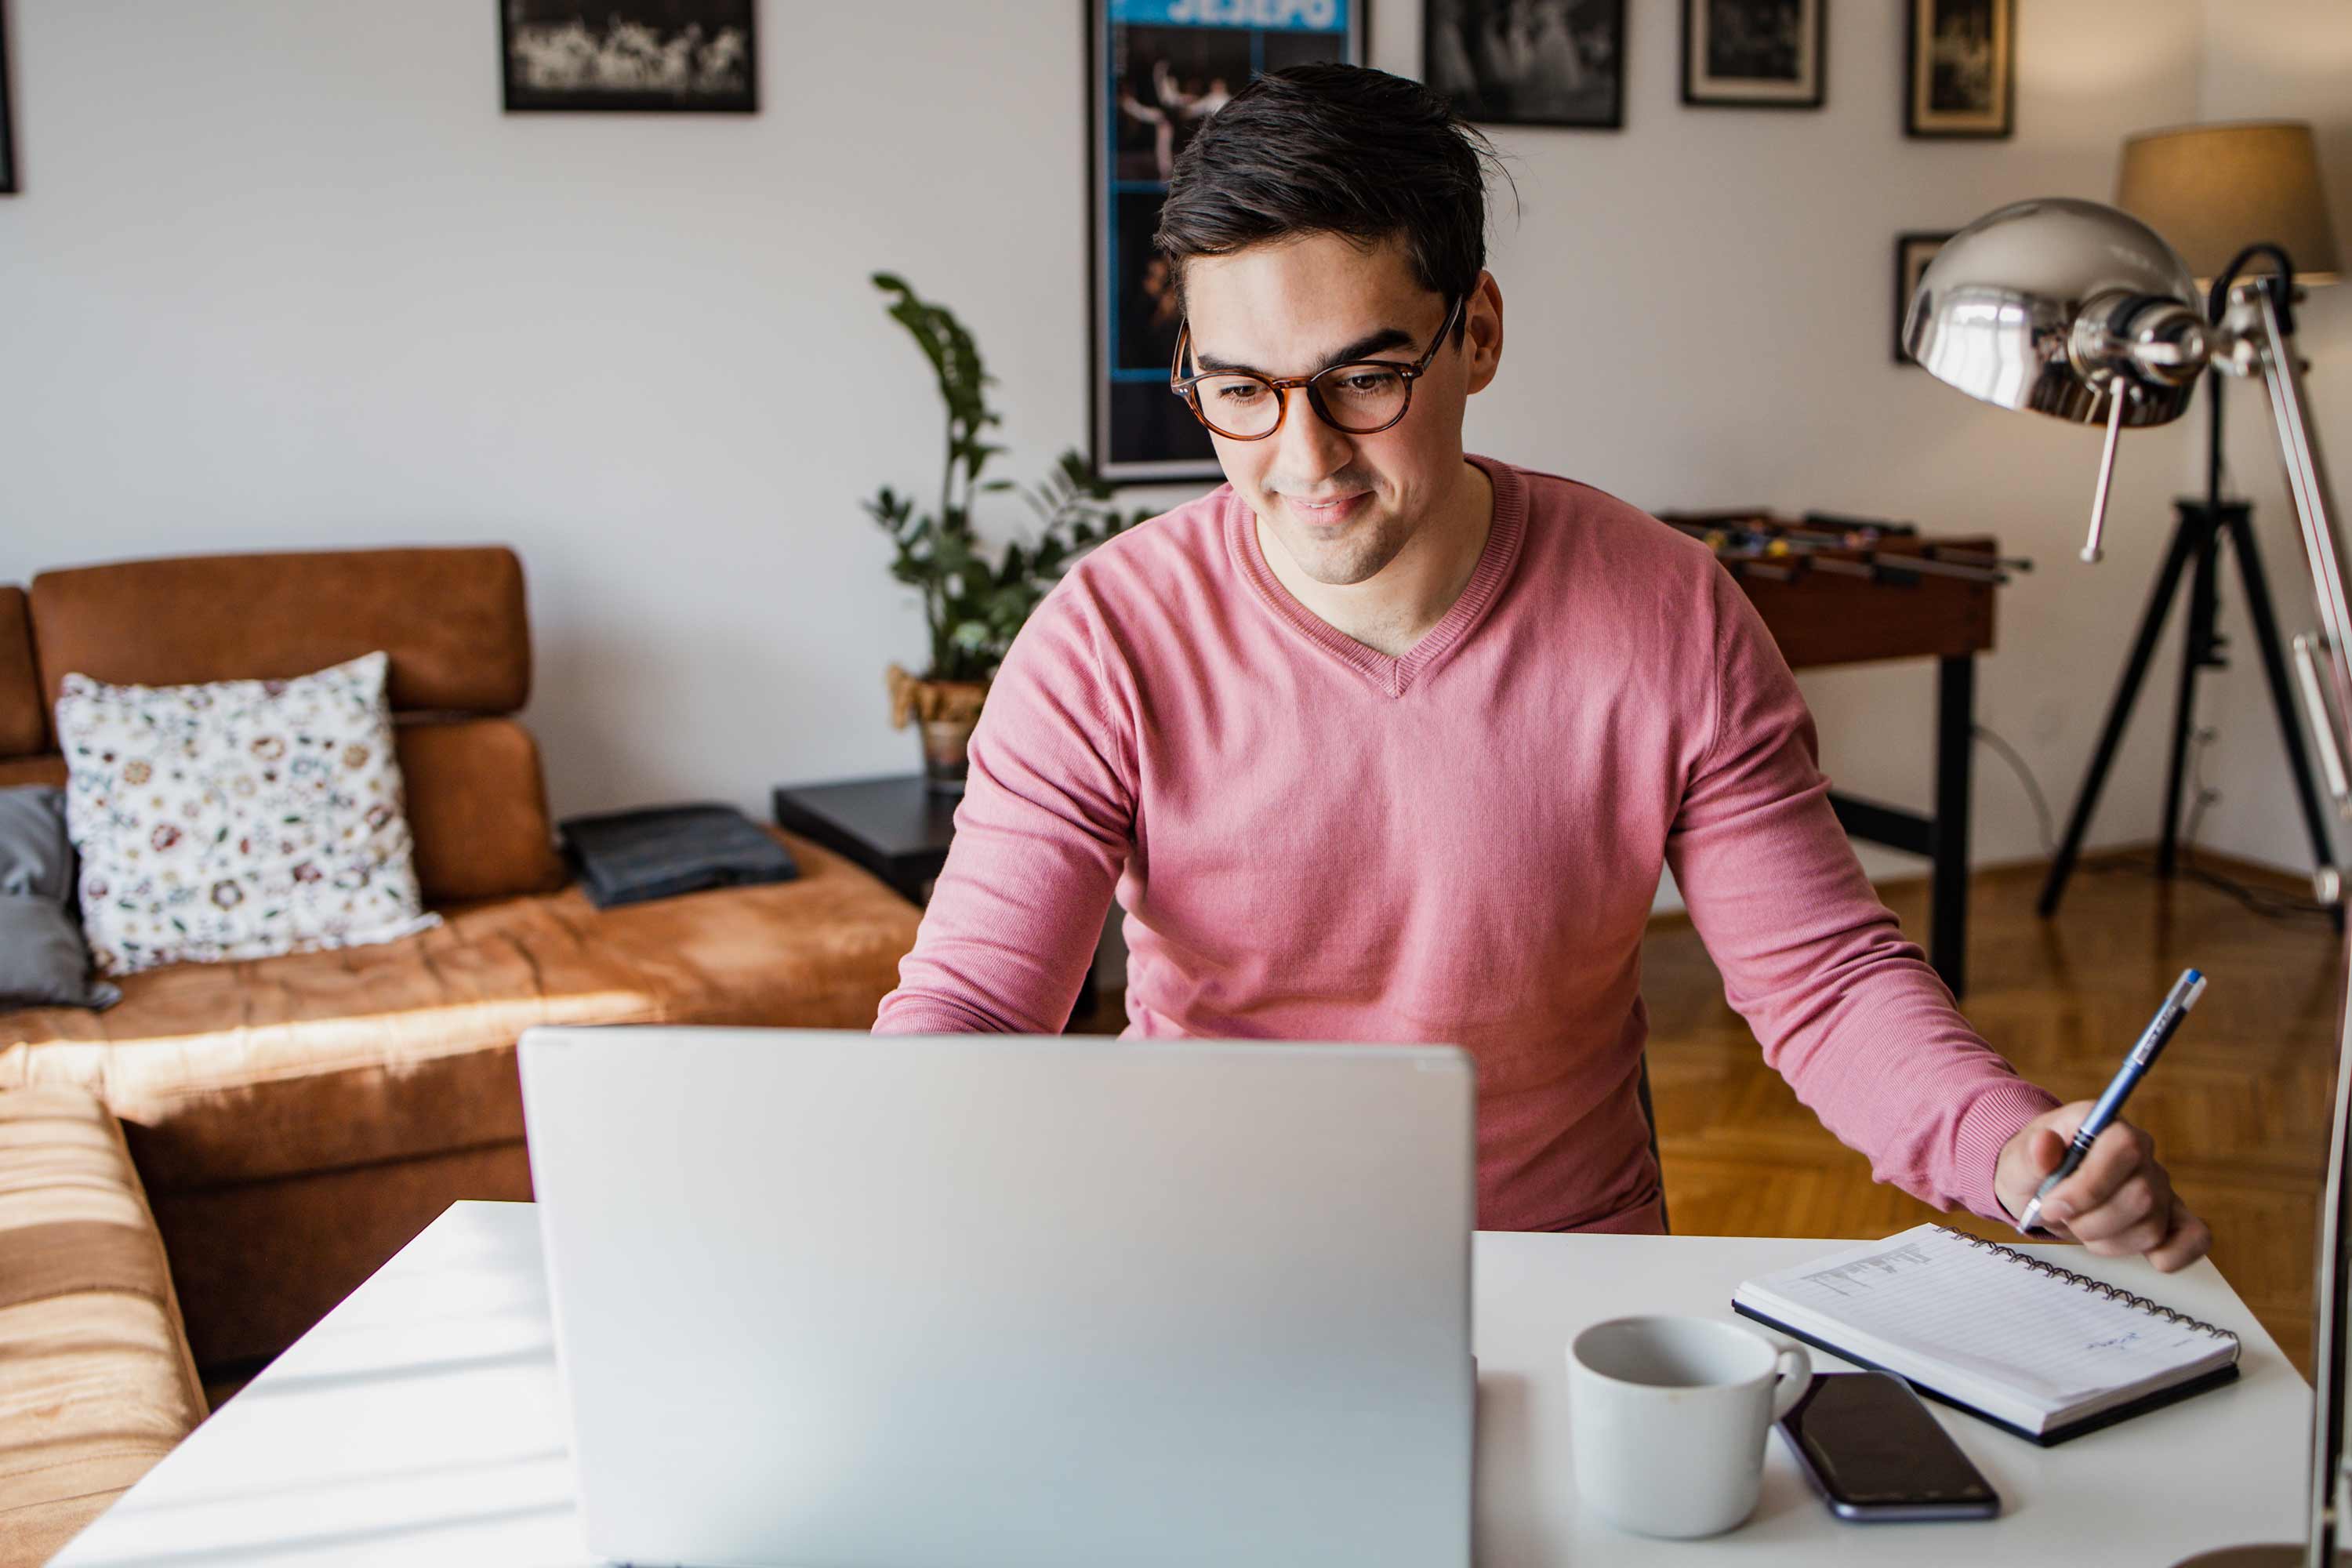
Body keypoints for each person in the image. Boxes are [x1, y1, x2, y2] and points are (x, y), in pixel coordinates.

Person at [875, 64, 2212, 1274]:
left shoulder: (1667, 610)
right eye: (1240, 390)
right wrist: (866, 1173)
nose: (1304, 459)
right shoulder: (1106, 636)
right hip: (1206, 1265)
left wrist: (2004, 1140)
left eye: (1363, 379)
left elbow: (1826, 982)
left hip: (1564, 1267)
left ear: (1480, 335)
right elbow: (982, 1001)